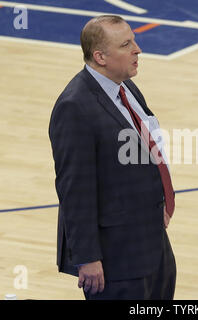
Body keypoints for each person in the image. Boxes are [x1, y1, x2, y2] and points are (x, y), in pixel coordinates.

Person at [49, 15, 176, 300]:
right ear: (100, 57)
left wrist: (161, 199)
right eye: (126, 44)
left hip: (151, 241)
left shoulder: (126, 88)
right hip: (116, 258)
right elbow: (74, 190)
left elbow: (146, 148)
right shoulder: (74, 107)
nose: (138, 49)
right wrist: (87, 258)